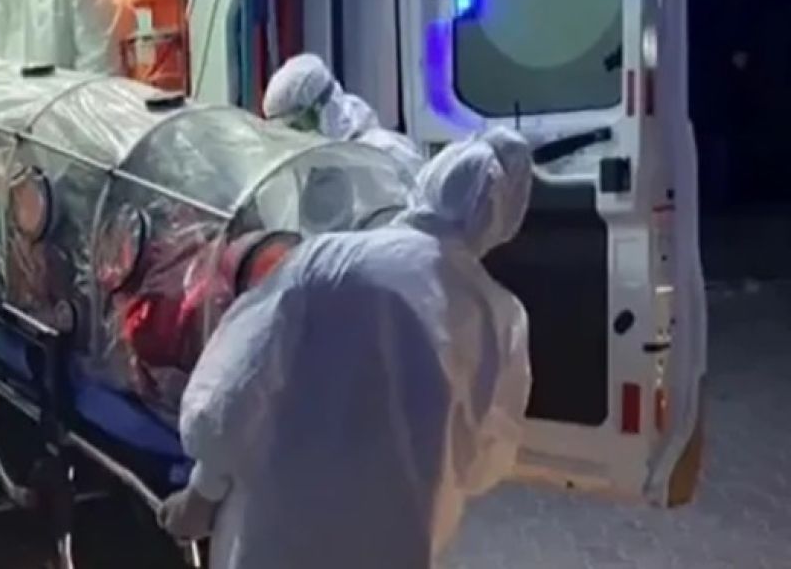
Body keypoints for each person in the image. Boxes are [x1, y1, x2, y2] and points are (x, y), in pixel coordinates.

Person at [159, 127, 535, 569]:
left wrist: (202, 495)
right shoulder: (497, 318)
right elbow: (482, 461)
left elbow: (237, 387)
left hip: (277, 536)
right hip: (398, 547)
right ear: (503, 222)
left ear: (431, 179)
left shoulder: (328, 259)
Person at [263, 53, 425, 175]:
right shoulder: (313, 173)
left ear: (324, 109)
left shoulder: (388, 154)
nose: (294, 137)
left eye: (298, 126)